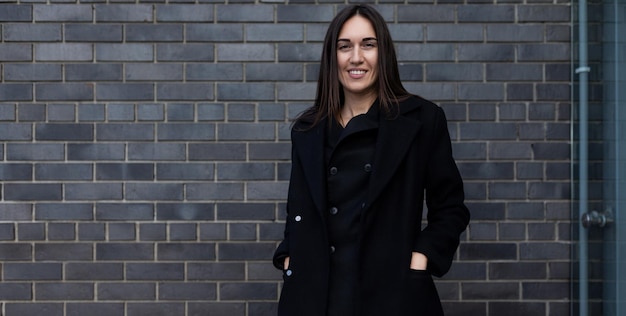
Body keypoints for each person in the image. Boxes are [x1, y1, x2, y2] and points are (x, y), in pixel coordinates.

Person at [273, 4, 470, 316]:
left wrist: (421, 258)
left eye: (368, 44)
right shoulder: (308, 129)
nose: (355, 57)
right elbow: (298, 207)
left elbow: (450, 208)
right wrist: (289, 255)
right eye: (344, 46)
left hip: (393, 293)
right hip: (316, 294)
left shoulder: (422, 120)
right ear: (332, 57)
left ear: (384, 53)